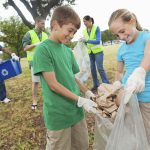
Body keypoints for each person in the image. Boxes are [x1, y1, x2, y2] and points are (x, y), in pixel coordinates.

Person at [33, 5, 98, 150]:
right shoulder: (43, 50)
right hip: (59, 115)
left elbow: (73, 77)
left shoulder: (68, 51)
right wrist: (80, 100)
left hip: (76, 112)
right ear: (56, 24)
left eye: (74, 32)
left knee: (81, 145)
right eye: (70, 30)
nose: (71, 35)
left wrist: (86, 92)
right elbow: (53, 84)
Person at [108, 9, 150, 145]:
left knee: (147, 133)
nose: (120, 37)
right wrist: (117, 84)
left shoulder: (146, 38)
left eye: (122, 31)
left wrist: (140, 72)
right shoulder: (121, 49)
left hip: (146, 98)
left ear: (132, 21)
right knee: (132, 134)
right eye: (117, 34)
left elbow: (147, 57)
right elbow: (119, 72)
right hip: (128, 98)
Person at [22, 16, 48, 110]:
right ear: (37, 23)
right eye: (42, 23)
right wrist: (35, 45)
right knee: (36, 82)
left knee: (47, 81)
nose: (44, 25)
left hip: (45, 61)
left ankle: (48, 99)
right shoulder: (29, 34)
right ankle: (34, 101)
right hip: (34, 62)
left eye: (44, 23)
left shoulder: (45, 35)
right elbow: (25, 48)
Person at [80, 15, 109, 92]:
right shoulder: (84, 31)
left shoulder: (96, 28)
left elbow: (97, 41)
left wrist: (86, 40)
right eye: (83, 22)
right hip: (90, 53)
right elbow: (86, 43)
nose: (84, 23)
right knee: (92, 69)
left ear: (90, 21)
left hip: (98, 51)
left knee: (100, 68)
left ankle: (106, 84)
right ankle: (96, 85)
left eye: (85, 21)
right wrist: (83, 41)